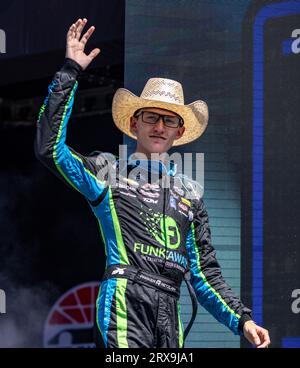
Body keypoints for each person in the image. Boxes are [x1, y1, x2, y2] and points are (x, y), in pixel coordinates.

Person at [34, 18, 271, 348]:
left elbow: (205, 276)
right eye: (151, 116)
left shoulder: (190, 196)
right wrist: (70, 71)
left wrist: (242, 319)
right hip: (124, 302)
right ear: (134, 123)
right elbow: (50, 149)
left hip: (169, 312)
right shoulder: (108, 172)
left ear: (179, 131)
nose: (160, 126)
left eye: (169, 119)